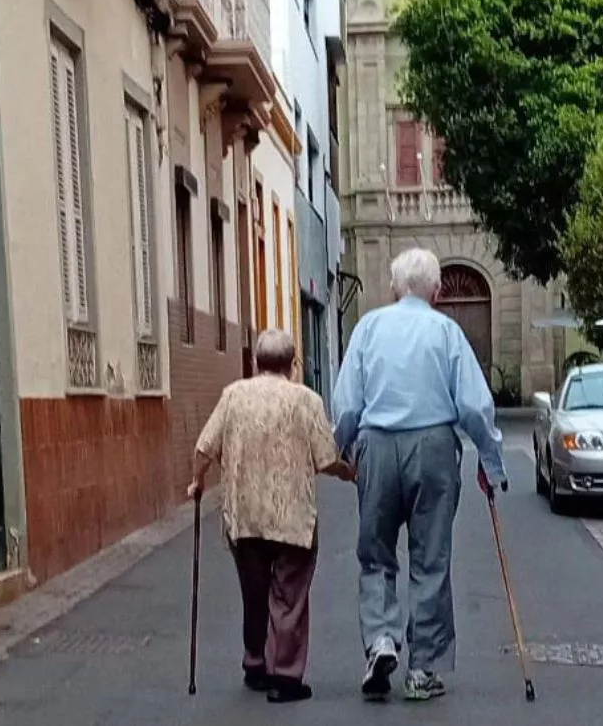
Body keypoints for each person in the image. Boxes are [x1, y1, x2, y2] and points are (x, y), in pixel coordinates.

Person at [332, 247, 507, 702]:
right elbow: (473, 404)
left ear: (393, 288)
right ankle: (422, 669)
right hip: (433, 447)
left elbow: (348, 403)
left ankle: (381, 641)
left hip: (378, 444)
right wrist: (490, 462)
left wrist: (345, 449)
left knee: (375, 554)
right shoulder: (446, 331)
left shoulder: (368, 327)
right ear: (437, 289)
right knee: (431, 560)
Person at [189, 329, 355, 704]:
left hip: (244, 516)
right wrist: (349, 472)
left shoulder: (233, 396)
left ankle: (255, 664)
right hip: (292, 517)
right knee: (289, 597)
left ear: (254, 363)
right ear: (293, 365)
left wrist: (196, 481)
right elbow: (326, 459)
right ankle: (286, 677)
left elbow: (204, 447)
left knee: (254, 593)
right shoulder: (306, 400)